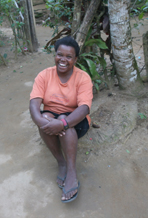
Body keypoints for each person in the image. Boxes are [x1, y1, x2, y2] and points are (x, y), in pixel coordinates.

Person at [29, 36, 93, 203]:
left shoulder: (83, 77)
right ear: (55, 55)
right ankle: (61, 162)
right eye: (59, 55)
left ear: (75, 59)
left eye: (69, 56)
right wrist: (42, 122)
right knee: (45, 117)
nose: (63, 60)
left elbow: (84, 108)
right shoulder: (44, 76)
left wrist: (63, 124)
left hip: (76, 121)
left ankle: (71, 171)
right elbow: (34, 104)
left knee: (65, 119)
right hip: (51, 116)